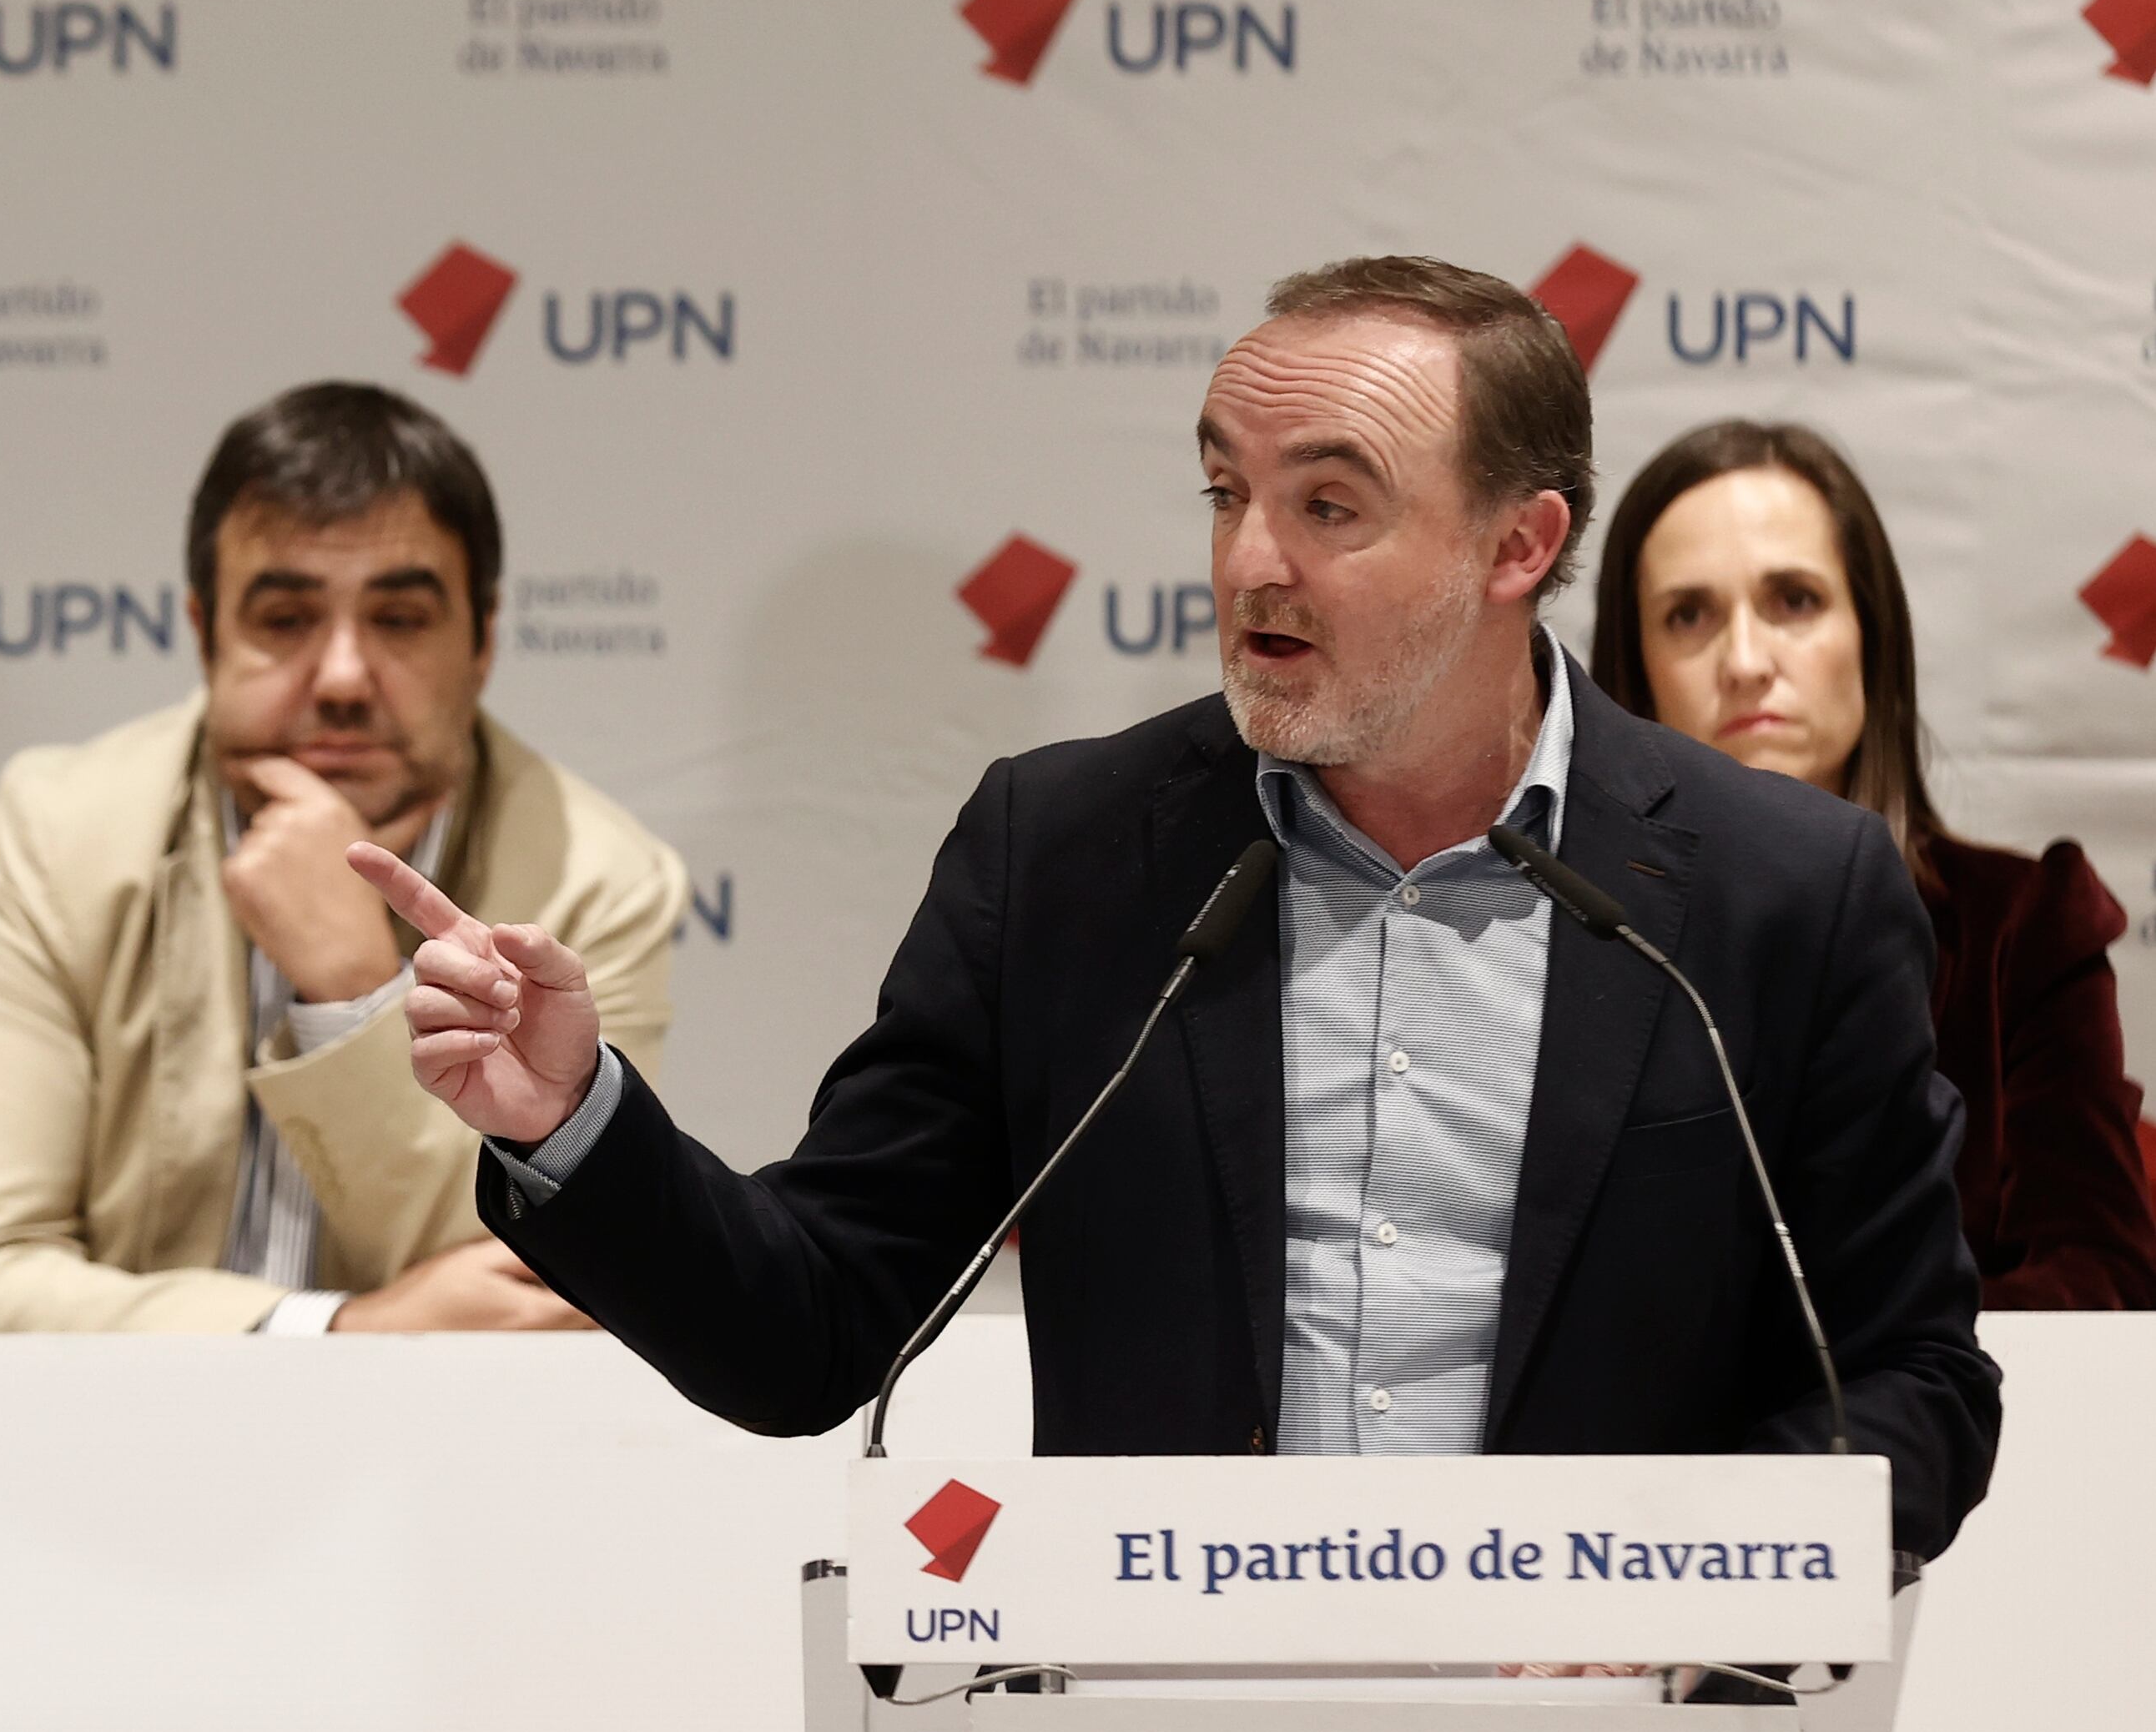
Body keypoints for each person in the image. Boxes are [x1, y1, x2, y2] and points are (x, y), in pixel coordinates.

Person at [356, 259, 2000, 1560]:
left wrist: (1664, 1583)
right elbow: (814, 1320)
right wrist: (574, 1118)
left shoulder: (1778, 892)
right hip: (1166, 1725)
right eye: (1225, 492)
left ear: (1522, 542)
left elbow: (1918, 1385)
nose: (1247, 564)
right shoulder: (1068, 856)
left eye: (1328, 504)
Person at [0, 382, 689, 1332]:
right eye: (284, 618)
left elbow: (545, 1297)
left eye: (399, 620)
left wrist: (354, 990)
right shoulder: (61, 834)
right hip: (107, 1450)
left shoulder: (591, 886)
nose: (344, 678)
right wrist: (335, 1334)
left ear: (482, 641)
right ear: (202, 634)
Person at [1589, 420, 2156, 1311]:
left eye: (1793, 600)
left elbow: (2101, 1278)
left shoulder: (2023, 927)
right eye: (1688, 615)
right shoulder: (1574, 933)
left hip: (1965, 1445)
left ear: (1871, 635)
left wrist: (1877, 1377)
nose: (1745, 662)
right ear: (1636, 675)